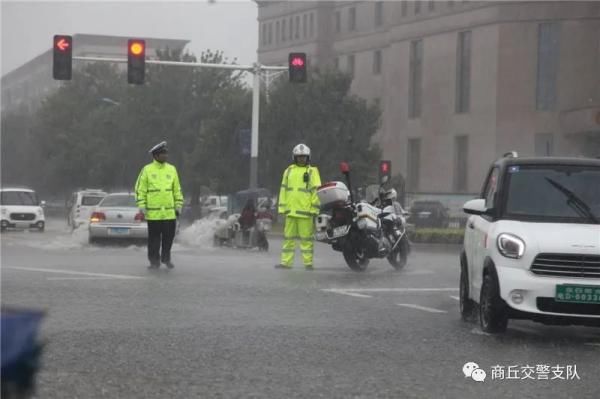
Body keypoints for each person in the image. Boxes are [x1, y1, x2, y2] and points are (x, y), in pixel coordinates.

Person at [135, 141, 184, 269]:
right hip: (153, 213)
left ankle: (166, 259)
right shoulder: (147, 170)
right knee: (154, 240)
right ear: (156, 156)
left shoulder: (172, 169)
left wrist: (178, 205)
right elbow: (140, 189)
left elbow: (177, 189)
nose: (166, 155)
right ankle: (154, 261)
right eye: (163, 153)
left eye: (166, 153)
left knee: (168, 238)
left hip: (169, 213)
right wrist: (142, 206)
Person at [275, 143, 321, 270]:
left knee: (306, 240)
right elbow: (283, 190)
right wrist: (282, 208)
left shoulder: (312, 171)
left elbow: (316, 191)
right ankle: (286, 263)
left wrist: (314, 209)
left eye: (304, 157)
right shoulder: (288, 171)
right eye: (299, 157)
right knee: (288, 239)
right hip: (290, 212)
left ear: (308, 157)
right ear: (294, 157)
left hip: (305, 213)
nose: (301, 159)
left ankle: (308, 264)